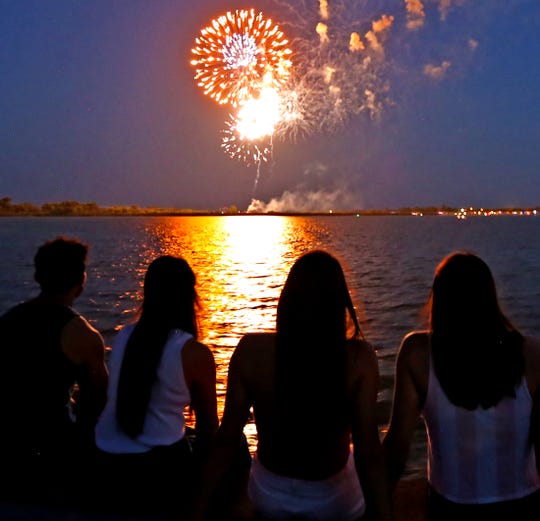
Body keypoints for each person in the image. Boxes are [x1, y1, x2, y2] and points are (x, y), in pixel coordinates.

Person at [190, 249, 394, 521]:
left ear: (287, 299)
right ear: (337, 305)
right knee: (356, 453)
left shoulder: (251, 350)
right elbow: (368, 452)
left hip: (269, 495)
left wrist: (198, 508)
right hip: (334, 502)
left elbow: (226, 440)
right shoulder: (359, 358)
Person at [383, 251, 540, 520]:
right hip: (524, 503)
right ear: (490, 297)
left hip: (450, 508)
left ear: (440, 299)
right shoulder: (532, 354)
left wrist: (377, 506)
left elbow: (397, 449)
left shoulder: (417, 353)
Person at [94, 255, 219, 519]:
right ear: (189, 296)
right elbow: (209, 427)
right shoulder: (193, 352)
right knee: (237, 445)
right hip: (159, 471)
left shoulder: (124, 335)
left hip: (106, 462)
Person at [0, 236, 109, 507]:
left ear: (38, 275)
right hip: (54, 448)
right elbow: (97, 403)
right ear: (81, 280)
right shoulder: (83, 335)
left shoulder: (8, 320)